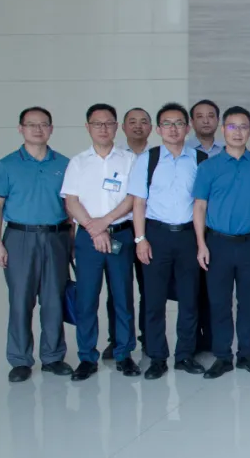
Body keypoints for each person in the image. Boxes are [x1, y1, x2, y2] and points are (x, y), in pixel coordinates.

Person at [0, 106, 73, 383]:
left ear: (51, 128)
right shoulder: (6, 165)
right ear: (20, 128)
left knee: (53, 299)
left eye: (43, 124)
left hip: (56, 237)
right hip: (19, 238)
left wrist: (71, 244)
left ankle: (53, 357)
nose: (38, 129)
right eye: (31, 124)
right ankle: (20, 360)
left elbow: (70, 208)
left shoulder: (65, 164)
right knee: (20, 300)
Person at [129, 102, 208, 380]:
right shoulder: (147, 160)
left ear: (187, 128)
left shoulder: (200, 160)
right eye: (167, 124)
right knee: (154, 300)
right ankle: (157, 357)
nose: (173, 129)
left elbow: (202, 204)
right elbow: (138, 203)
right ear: (158, 129)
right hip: (156, 236)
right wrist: (140, 239)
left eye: (178, 124)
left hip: (188, 236)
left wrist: (201, 242)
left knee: (189, 298)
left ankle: (185, 354)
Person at [61, 104, 140, 381]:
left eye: (108, 123)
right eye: (97, 123)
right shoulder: (77, 162)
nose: (103, 128)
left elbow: (133, 197)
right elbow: (71, 201)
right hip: (88, 238)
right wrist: (93, 229)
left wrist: (104, 222)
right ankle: (87, 357)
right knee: (86, 299)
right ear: (88, 127)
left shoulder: (129, 160)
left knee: (122, 297)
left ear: (116, 127)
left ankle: (123, 353)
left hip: (121, 234)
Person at [192, 106, 250, 379]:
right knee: (219, 303)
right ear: (223, 129)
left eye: (243, 127)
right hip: (218, 244)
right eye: (232, 126)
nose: (238, 132)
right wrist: (201, 244)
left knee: (249, 304)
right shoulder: (208, 166)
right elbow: (200, 206)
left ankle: (247, 354)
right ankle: (222, 356)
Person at [103, 106, 152, 360]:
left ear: (151, 128)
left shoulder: (158, 157)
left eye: (143, 122)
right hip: (120, 229)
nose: (138, 126)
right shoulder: (113, 157)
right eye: (132, 122)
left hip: (148, 230)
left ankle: (147, 337)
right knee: (117, 289)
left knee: (149, 288)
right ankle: (116, 339)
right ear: (122, 127)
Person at [188, 98, 222, 354]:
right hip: (190, 230)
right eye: (200, 116)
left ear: (218, 121)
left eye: (211, 115)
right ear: (192, 122)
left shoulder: (227, 151)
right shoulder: (184, 152)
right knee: (192, 288)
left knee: (215, 288)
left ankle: (212, 338)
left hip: (218, 231)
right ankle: (193, 340)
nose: (206, 120)